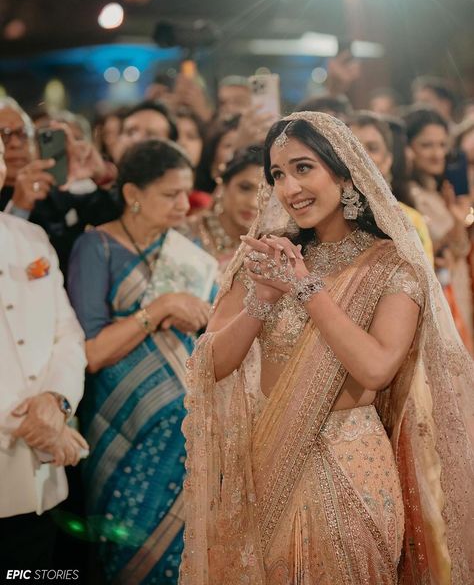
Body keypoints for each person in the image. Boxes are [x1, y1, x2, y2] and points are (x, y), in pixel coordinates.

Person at [180, 112, 474, 584]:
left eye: (303, 168)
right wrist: (262, 300)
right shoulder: (270, 255)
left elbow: (376, 367)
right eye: (277, 174)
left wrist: (304, 288)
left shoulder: (392, 266)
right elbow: (210, 363)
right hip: (267, 462)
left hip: (352, 463)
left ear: (343, 173)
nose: (289, 187)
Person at [68, 139, 213, 584]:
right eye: (169, 195)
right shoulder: (97, 248)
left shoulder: (188, 249)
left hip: (191, 430)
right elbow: (91, 354)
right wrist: (161, 307)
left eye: (185, 194)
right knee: (128, 555)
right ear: (132, 194)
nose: (181, 205)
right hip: (122, 426)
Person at [0, 137, 88, 570]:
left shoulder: (30, 237)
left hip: (39, 481)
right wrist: (36, 424)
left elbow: (66, 335)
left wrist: (56, 401)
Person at [0, 97, 119, 278]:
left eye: (23, 133)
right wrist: (18, 209)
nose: (16, 143)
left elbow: (118, 221)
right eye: (4, 134)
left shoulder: (56, 191)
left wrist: (102, 175)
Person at [405, 107, 473, 348]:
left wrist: (458, 215)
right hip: (438, 300)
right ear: (407, 148)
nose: (438, 154)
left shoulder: (440, 191)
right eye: (427, 145)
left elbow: (460, 248)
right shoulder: (408, 197)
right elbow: (424, 252)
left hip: (457, 290)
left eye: (443, 145)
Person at [349, 110, 433, 262]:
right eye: (353, 148)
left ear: (388, 160)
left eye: (372, 148)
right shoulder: (329, 216)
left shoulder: (410, 220)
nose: (361, 156)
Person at [188, 146, 262, 275]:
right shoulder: (188, 232)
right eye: (245, 188)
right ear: (224, 185)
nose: (253, 203)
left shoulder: (266, 251)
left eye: (264, 193)